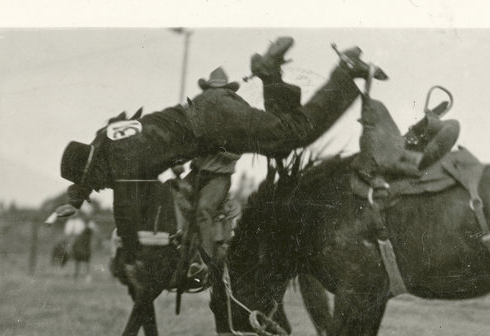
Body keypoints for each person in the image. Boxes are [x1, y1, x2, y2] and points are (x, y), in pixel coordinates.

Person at [56, 38, 384, 291]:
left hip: (213, 125)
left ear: (93, 166)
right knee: (282, 145)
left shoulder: (119, 162)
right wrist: (77, 196)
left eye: (98, 182)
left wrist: (131, 257)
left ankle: (343, 70)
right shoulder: (104, 140)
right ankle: (271, 73)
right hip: (209, 120)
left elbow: (125, 213)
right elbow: (91, 172)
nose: (103, 185)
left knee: (295, 133)